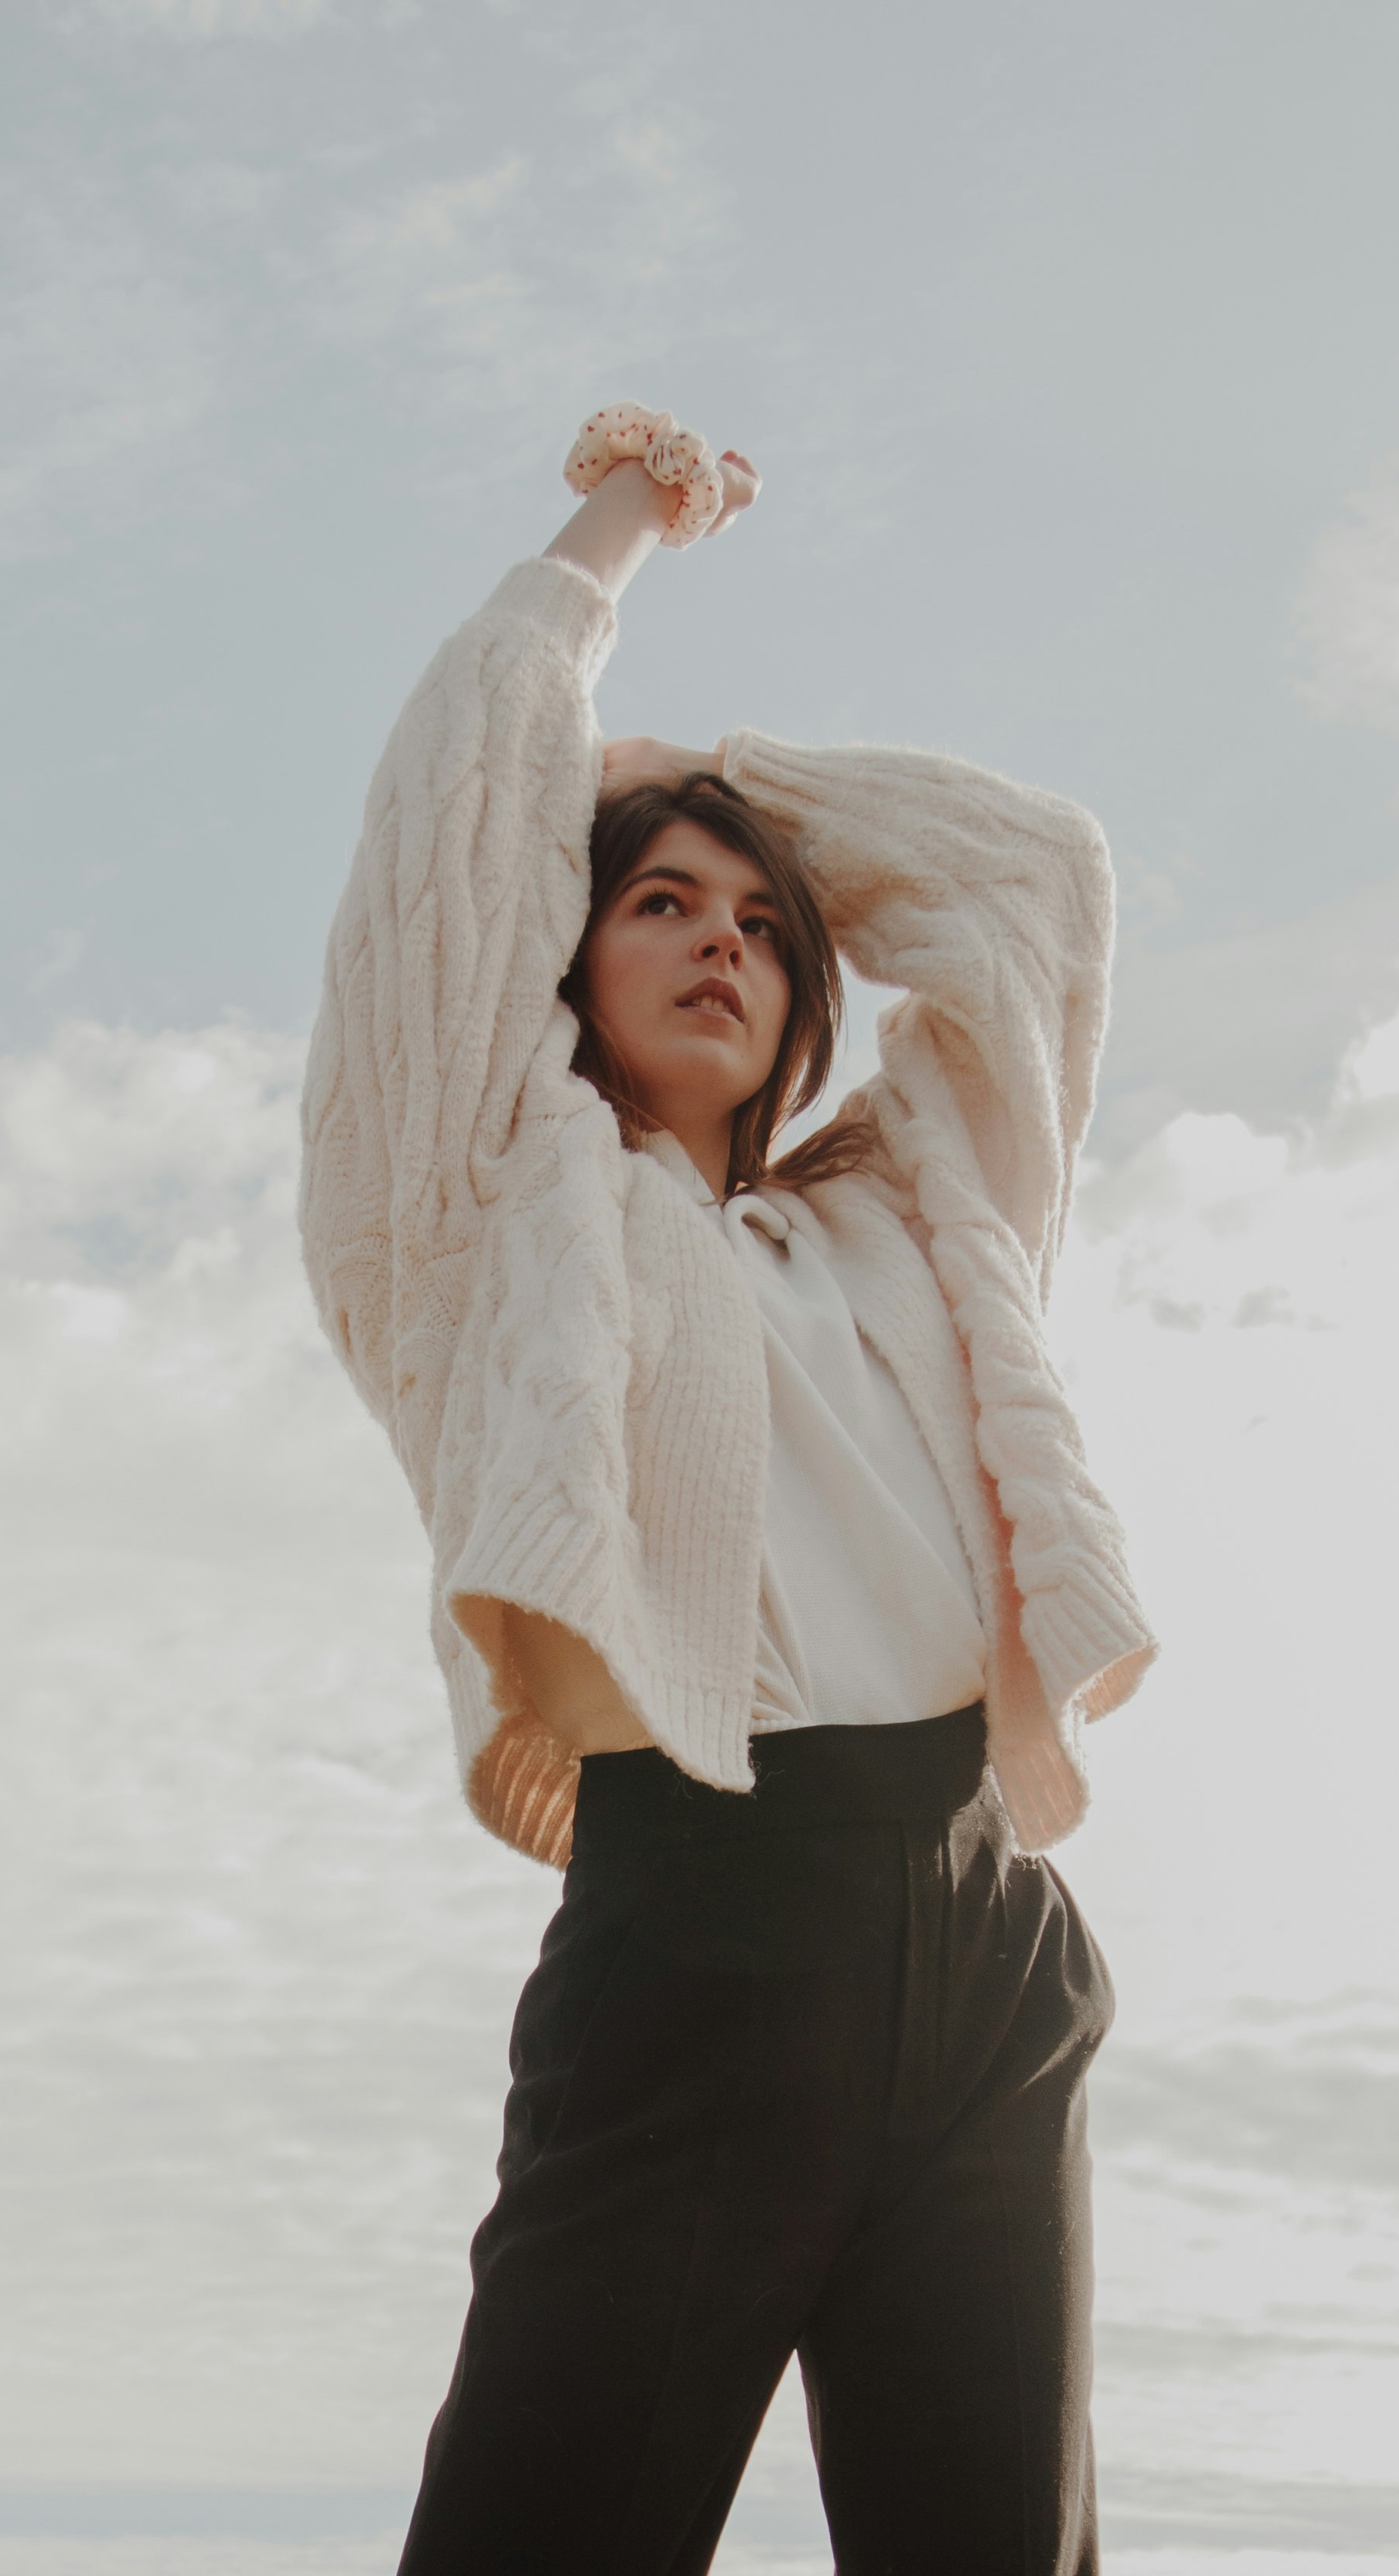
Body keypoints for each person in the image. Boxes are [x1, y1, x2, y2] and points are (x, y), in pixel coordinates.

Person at [299, 403, 1157, 2576]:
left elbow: (1031, 884)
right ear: (564, 962)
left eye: (765, 930)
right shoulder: (484, 1209)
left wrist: (730, 803)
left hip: (988, 1941)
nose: (721, 942)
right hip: (705, 1929)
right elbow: (451, 840)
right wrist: (623, 541)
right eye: (657, 909)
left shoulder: (915, 1222)